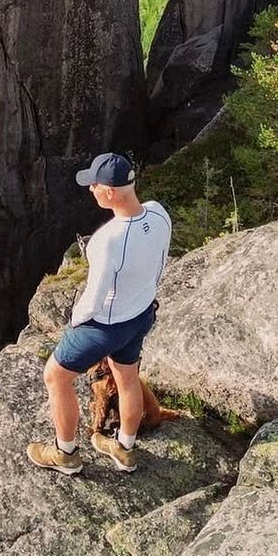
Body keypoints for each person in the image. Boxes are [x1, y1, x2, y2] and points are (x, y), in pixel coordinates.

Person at [27, 152, 172, 475]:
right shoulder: (159, 213)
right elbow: (160, 262)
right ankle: (125, 448)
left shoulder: (106, 240)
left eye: (93, 185)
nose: (90, 190)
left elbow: (93, 297)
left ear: (109, 192)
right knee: (127, 378)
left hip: (105, 324)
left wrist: (75, 322)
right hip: (141, 315)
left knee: (55, 376)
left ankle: (64, 453)